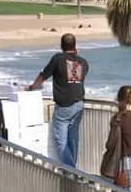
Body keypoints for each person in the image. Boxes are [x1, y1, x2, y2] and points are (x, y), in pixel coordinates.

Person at [27, 33, 88, 167]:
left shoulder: (58, 59)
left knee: (61, 140)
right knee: (73, 139)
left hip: (65, 106)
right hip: (79, 104)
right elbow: (74, 80)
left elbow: (44, 75)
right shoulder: (83, 62)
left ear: (61, 46)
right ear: (75, 45)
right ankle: (72, 169)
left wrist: (31, 87)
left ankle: (72, 170)